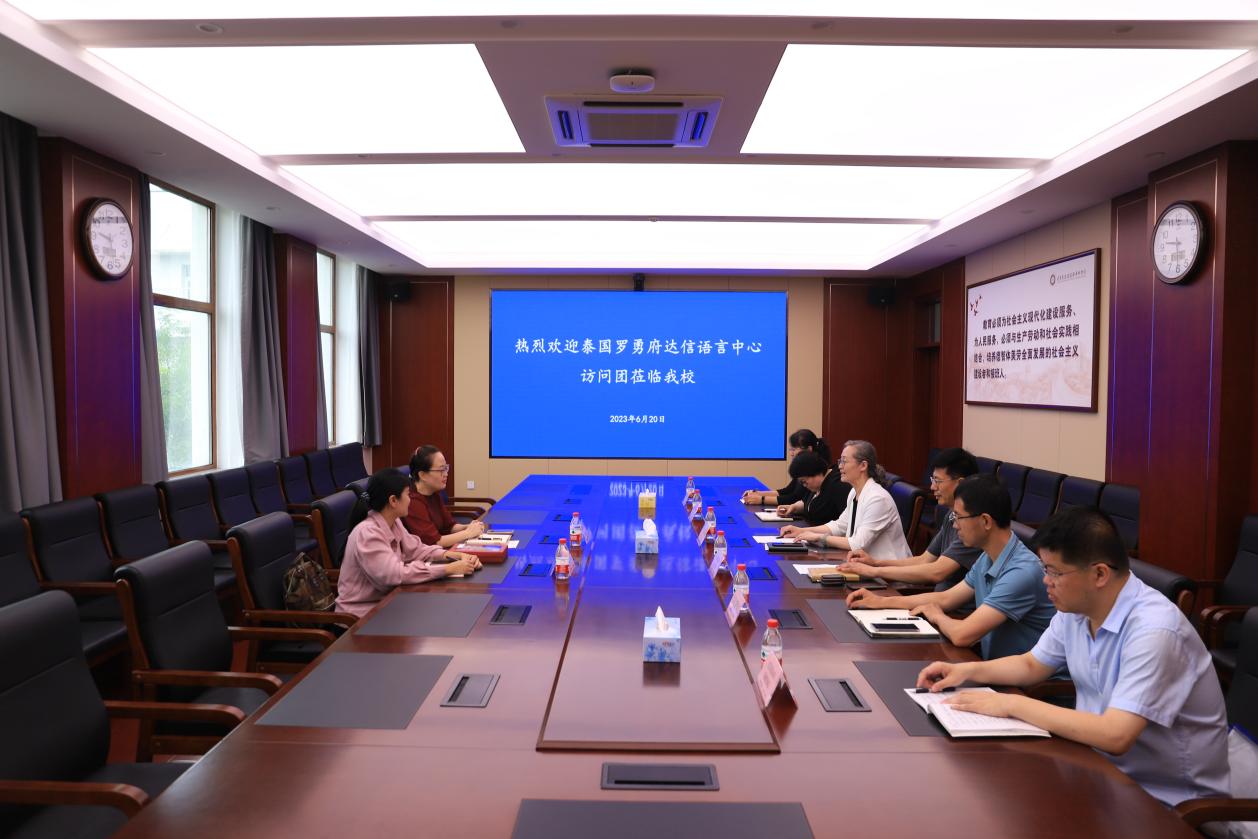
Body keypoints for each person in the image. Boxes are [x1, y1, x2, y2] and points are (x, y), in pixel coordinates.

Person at [916, 508, 1230, 808]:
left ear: (1099, 574)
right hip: (1096, 772)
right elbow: (1031, 665)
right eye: (1045, 569)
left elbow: (1116, 734)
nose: (1046, 581)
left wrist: (1010, 704)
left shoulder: (1155, 630)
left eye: (1054, 572)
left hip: (1165, 802)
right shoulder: (1078, 609)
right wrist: (966, 671)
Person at [847, 473, 1055, 658]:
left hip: (1027, 685)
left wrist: (937, 615)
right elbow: (945, 598)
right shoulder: (987, 557)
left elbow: (962, 635)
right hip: (995, 669)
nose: (955, 525)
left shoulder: (1021, 572)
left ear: (985, 521)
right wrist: (880, 601)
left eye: (959, 517)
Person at [335, 469, 481, 618]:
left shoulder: (393, 521)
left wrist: (454, 555)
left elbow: (417, 550)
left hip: (389, 603)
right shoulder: (367, 533)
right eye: (407, 495)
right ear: (393, 500)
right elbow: (394, 575)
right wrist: (448, 569)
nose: (410, 500)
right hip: (360, 618)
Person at [839, 447, 982, 592]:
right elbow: (924, 559)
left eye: (938, 481)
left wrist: (874, 571)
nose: (932, 487)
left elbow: (937, 572)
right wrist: (875, 563)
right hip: (937, 597)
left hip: (948, 603)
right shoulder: (951, 515)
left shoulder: (972, 525)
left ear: (960, 483)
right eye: (933, 480)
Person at [780, 440, 910, 560]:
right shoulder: (854, 492)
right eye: (840, 461)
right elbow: (839, 526)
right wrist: (802, 531)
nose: (840, 467)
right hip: (861, 564)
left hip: (887, 569)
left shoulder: (878, 499)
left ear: (863, 465)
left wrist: (819, 537)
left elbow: (858, 543)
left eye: (844, 461)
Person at [404, 445, 487, 548]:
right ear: (423, 475)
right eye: (441, 470)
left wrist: (468, 527)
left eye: (446, 468)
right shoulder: (412, 501)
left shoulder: (433, 493)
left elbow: (449, 526)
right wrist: (468, 533)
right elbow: (434, 543)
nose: (446, 474)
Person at [741, 429, 832, 507]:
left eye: (794, 449)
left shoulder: (814, 470)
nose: (791, 453)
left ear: (809, 449)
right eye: (790, 449)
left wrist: (762, 499)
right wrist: (758, 494)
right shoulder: (802, 467)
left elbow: (795, 498)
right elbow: (788, 490)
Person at [769, 450, 849, 526]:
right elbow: (808, 503)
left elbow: (844, 523)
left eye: (804, 481)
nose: (804, 485)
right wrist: (793, 507)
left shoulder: (838, 485)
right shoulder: (817, 484)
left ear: (816, 472)